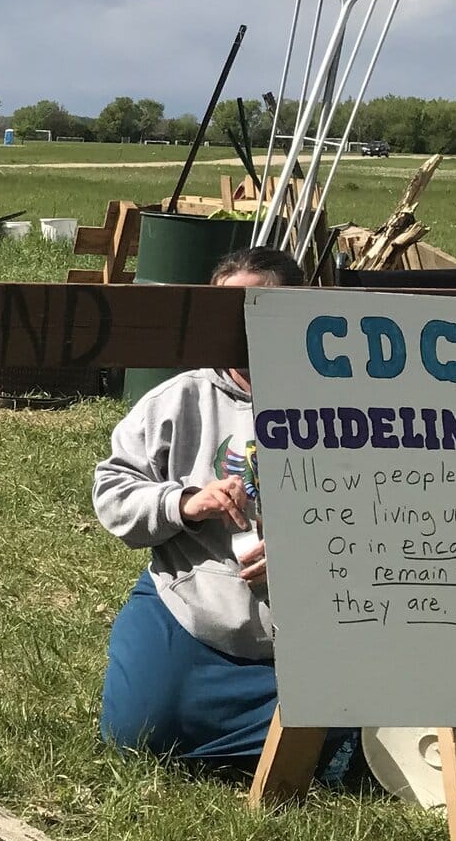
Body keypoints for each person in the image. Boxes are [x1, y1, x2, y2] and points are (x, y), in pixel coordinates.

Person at [91, 245, 356, 778]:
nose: (241, 327)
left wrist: (315, 555)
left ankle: (318, 734)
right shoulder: (179, 400)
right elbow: (112, 492)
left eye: (257, 308)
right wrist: (183, 503)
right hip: (195, 606)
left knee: (371, 717)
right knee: (136, 733)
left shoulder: (347, 403)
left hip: (316, 625)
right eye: (226, 312)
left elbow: (391, 512)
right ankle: (308, 739)